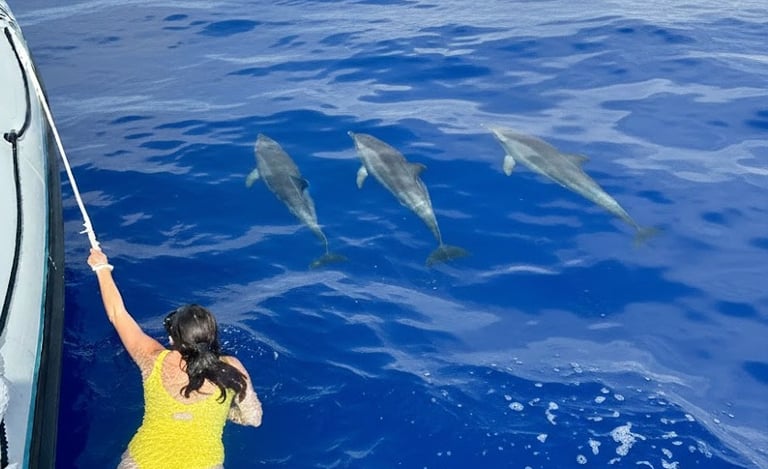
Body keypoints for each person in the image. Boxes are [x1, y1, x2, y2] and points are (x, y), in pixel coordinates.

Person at [87, 247, 263, 469]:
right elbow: (254, 419)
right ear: (211, 336)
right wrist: (226, 413)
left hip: (143, 462)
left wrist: (101, 267)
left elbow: (117, 314)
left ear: (172, 339)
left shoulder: (152, 358)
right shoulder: (231, 368)